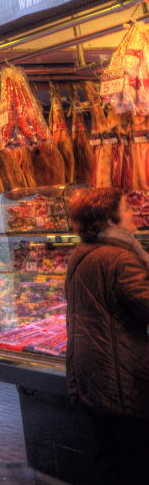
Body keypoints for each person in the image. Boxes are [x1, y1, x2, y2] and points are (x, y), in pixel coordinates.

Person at [64, 187, 149, 484]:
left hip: (90, 374)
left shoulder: (80, 253)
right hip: (122, 378)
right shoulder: (121, 258)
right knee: (136, 463)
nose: (132, 214)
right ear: (110, 220)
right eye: (126, 209)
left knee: (108, 457)